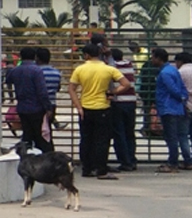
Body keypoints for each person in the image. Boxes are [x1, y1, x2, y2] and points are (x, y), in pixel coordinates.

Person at [68, 42, 131, 179]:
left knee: (86, 140)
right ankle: (101, 170)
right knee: (102, 141)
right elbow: (126, 84)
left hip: (85, 109)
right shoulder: (108, 69)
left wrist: (78, 107)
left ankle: (87, 169)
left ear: (86, 55)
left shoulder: (79, 69)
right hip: (103, 108)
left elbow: (71, 89)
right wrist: (112, 92)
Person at [5, 47, 53, 152]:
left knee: (27, 136)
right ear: (34, 57)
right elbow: (42, 92)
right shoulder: (37, 71)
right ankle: (41, 158)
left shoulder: (15, 70)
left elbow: (8, 79)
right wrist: (48, 108)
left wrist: (10, 68)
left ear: (21, 57)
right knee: (40, 137)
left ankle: (26, 156)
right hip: (37, 109)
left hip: (22, 109)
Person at [151, 48, 190, 173]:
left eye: (153, 57)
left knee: (171, 137)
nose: (152, 60)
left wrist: (180, 97)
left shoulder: (165, 73)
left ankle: (173, 163)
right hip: (178, 108)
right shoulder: (173, 70)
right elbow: (182, 88)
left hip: (168, 108)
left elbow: (173, 89)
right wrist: (183, 99)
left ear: (159, 58)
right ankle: (184, 161)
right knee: (180, 135)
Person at [108, 48, 138, 171]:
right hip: (131, 102)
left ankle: (125, 162)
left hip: (118, 102)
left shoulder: (112, 67)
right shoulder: (129, 64)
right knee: (129, 133)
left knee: (119, 134)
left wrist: (111, 92)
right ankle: (132, 159)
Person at [36, 47, 63, 133]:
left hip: (37, 105)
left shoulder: (35, 72)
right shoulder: (56, 72)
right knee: (47, 132)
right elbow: (58, 88)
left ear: (37, 58)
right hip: (52, 105)